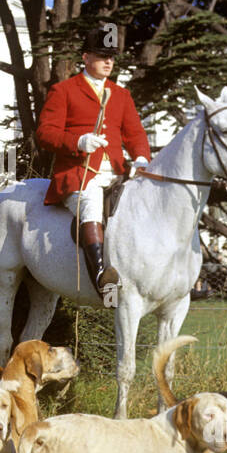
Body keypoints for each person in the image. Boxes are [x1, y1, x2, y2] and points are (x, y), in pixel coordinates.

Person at [34, 25, 151, 296]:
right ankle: (101, 276)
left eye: (111, 56)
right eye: (102, 56)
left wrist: (141, 157)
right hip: (79, 174)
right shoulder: (63, 90)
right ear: (86, 58)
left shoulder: (121, 94)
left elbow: (135, 133)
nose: (109, 62)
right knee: (90, 201)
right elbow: (45, 133)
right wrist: (77, 142)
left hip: (118, 172)